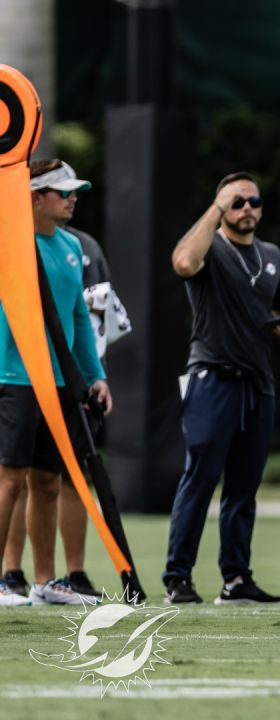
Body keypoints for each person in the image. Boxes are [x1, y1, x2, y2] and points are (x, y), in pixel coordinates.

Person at [165, 171, 280, 605]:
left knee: (244, 487)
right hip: (212, 378)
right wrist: (215, 207)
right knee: (200, 480)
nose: (247, 209)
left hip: (258, 382)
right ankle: (178, 579)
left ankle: (236, 579)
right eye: (237, 202)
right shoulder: (211, 248)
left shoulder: (271, 255)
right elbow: (183, 263)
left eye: (253, 201)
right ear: (223, 207)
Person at [0, 159, 111, 606]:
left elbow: (80, 320)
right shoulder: (9, 243)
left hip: (60, 383)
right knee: (10, 480)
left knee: (48, 481)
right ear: (35, 198)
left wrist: (95, 376)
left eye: (74, 192)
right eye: (63, 192)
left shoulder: (69, 248)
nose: (72, 199)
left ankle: (45, 583)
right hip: (14, 378)